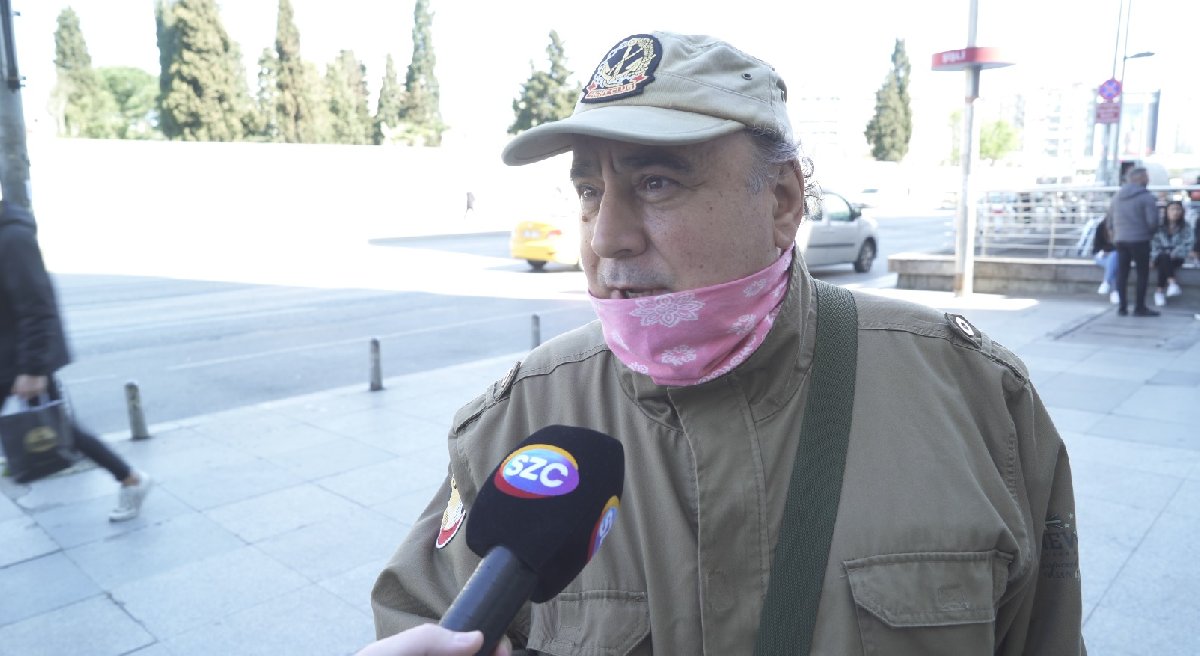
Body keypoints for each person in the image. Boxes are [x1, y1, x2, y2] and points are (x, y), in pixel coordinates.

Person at [364, 31, 1085, 655]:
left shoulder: (978, 399)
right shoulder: (521, 421)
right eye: (589, 191)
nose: (606, 237)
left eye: (655, 182)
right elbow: (423, 617)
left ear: (782, 202)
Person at [0, 201, 152, 521]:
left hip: (17, 363)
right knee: (65, 430)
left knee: (64, 430)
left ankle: (131, 479)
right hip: (12, 359)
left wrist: (32, 369)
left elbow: (38, 306)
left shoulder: (12, 238)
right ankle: (131, 479)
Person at [1106, 167, 1160, 317]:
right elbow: (1153, 222)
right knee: (1142, 274)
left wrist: (1115, 235)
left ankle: (1122, 307)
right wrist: (1150, 233)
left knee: (1122, 273)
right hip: (1140, 239)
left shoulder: (1117, 197)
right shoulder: (1146, 197)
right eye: (1146, 177)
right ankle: (1139, 307)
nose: (1148, 180)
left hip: (1121, 239)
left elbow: (1109, 221)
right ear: (1140, 178)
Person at [1150, 200, 1194, 307]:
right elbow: (1153, 244)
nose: (1175, 212)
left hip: (1177, 257)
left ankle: (1160, 292)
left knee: (1164, 261)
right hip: (1159, 255)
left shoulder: (1186, 226)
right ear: (1167, 211)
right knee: (1164, 257)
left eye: (1178, 209)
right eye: (1172, 209)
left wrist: (1176, 252)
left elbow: (1188, 244)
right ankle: (1171, 284)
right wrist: (1153, 257)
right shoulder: (1159, 226)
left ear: (1182, 212)